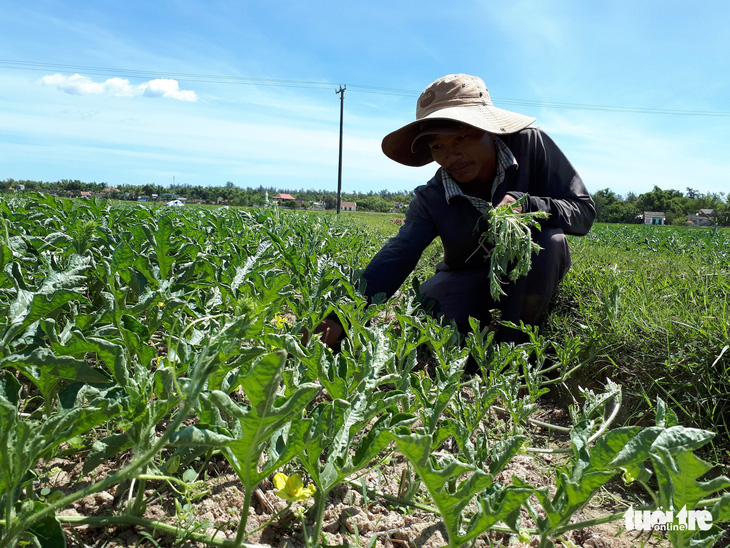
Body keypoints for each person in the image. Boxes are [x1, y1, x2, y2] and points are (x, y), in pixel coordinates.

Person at [312, 73, 595, 353]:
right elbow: (398, 255)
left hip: (530, 268)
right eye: (437, 146)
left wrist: (530, 206)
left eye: (462, 137)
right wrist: (340, 317)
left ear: (489, 130)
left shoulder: (531, 146)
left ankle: (510, 350)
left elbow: (583, 212)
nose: (451, 155)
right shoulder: (432, 196)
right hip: (466, 274)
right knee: (430, 321)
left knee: (552, 240)